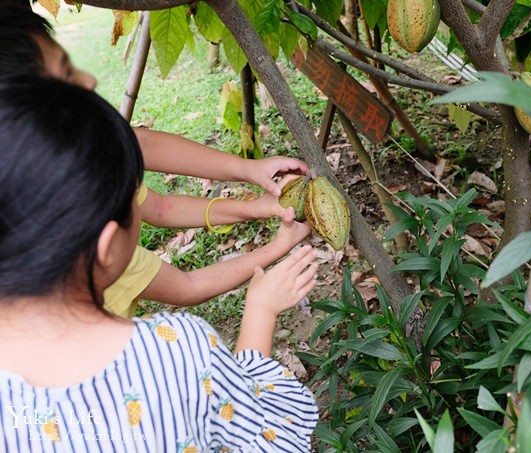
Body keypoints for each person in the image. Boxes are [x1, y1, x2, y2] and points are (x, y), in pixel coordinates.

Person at [0, 74, 319, 451]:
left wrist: (254, 209)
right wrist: (261, 309)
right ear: (107, 245)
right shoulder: (175, 350)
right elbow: (265, 437)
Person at [0, 4, 311, 317]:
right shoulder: (89, 235)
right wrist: (272, 268)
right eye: (65, 77)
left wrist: (253, 198)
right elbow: (186, 285)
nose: (89, 80)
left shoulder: (61, 189)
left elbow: (159, 203)